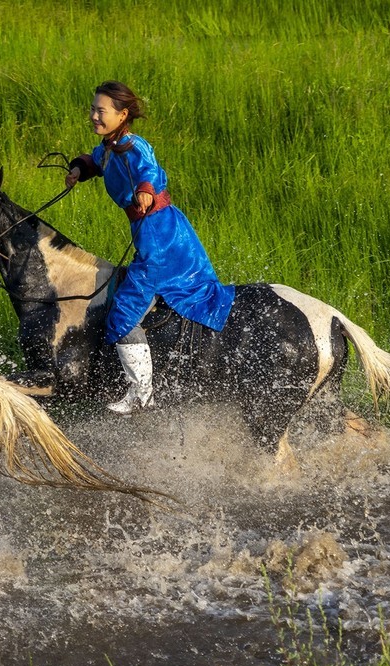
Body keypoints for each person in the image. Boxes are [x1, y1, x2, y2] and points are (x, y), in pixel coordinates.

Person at [66, 81, 235, 415]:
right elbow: (95, 160)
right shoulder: (111, 146)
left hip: (160, 238)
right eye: (93, 109)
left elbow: (150, 171)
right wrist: (78, 169)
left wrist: (145, 190)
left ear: (122, 115)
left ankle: (141, 393)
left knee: (123, 315)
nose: (94, 116)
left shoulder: (133, 147)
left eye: (101, 111)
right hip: (156, 231)